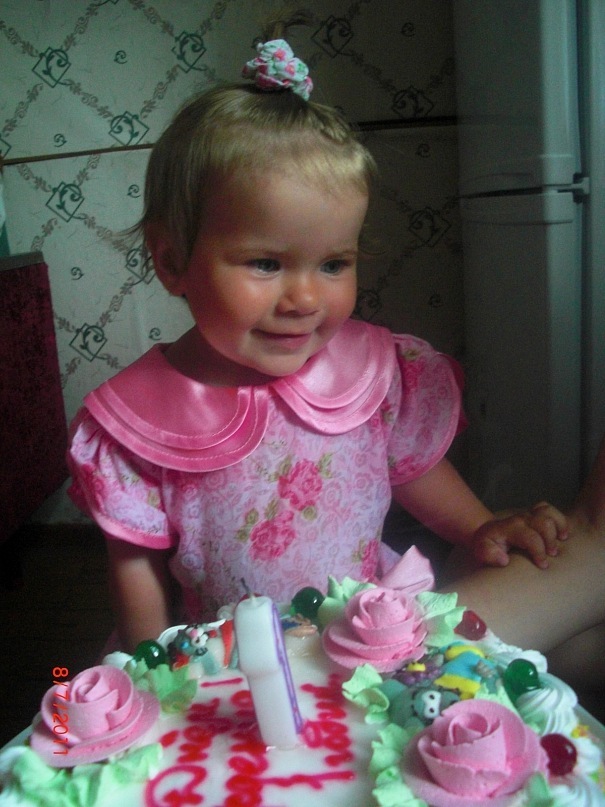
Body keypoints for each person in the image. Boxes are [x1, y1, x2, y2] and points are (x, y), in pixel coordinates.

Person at [67, 27, 569, 653]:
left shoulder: (372, 371)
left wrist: (479, 527)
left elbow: (412, 470)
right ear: (172, 262)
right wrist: (149, 666)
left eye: (333, 264)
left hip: (369, 638)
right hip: (236, 663)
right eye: (266, 263)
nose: (305, 299)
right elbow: (135, 567)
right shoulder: (139, 422)